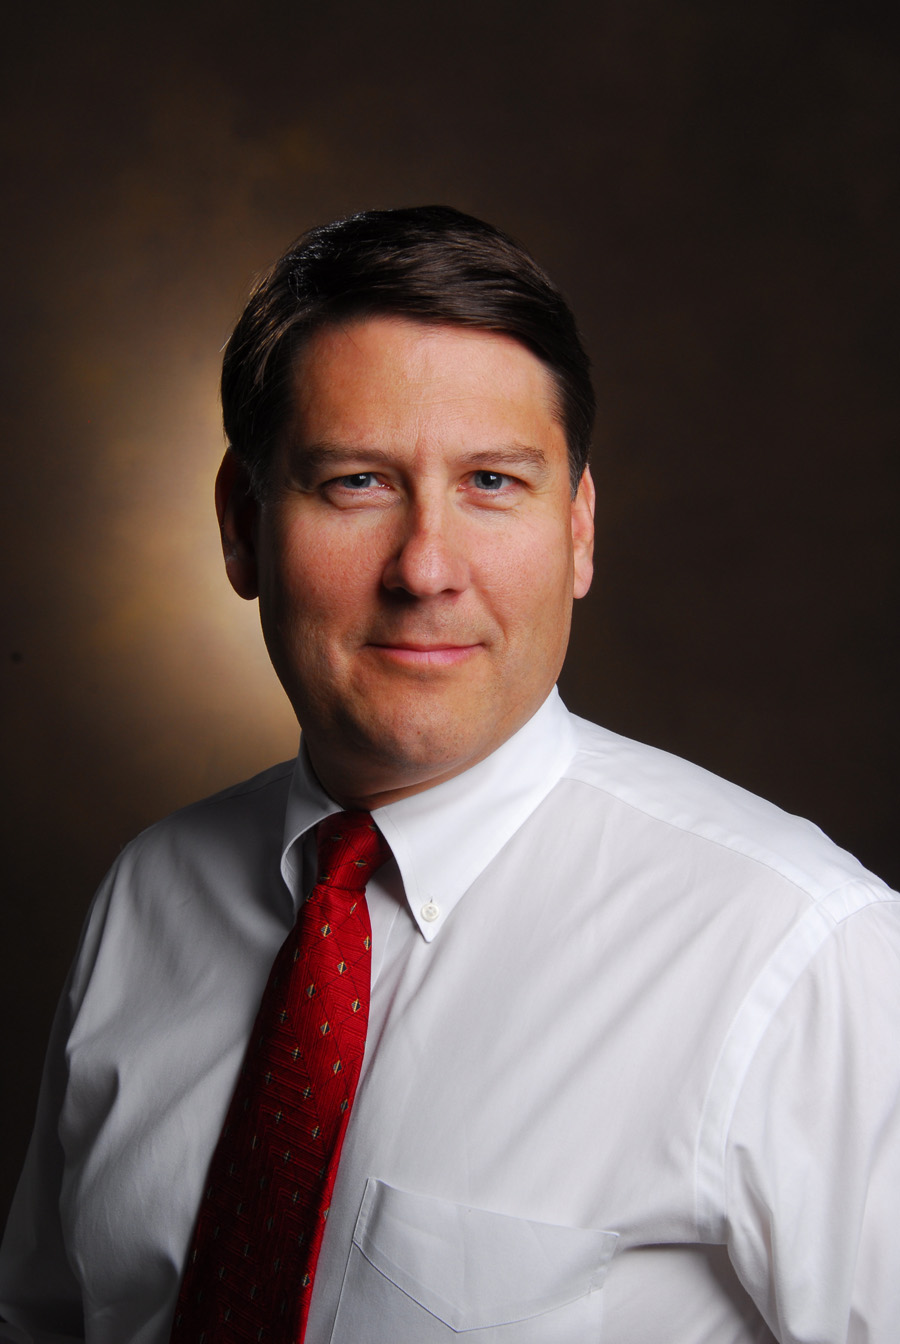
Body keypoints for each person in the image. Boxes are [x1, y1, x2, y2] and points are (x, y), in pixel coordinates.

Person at [1, 206, 898, 1344]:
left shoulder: (799, 952)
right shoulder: (147, 897)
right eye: (356, 482)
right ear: (240, 525)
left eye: (492, 482)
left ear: (578, 530)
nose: (426, 569)